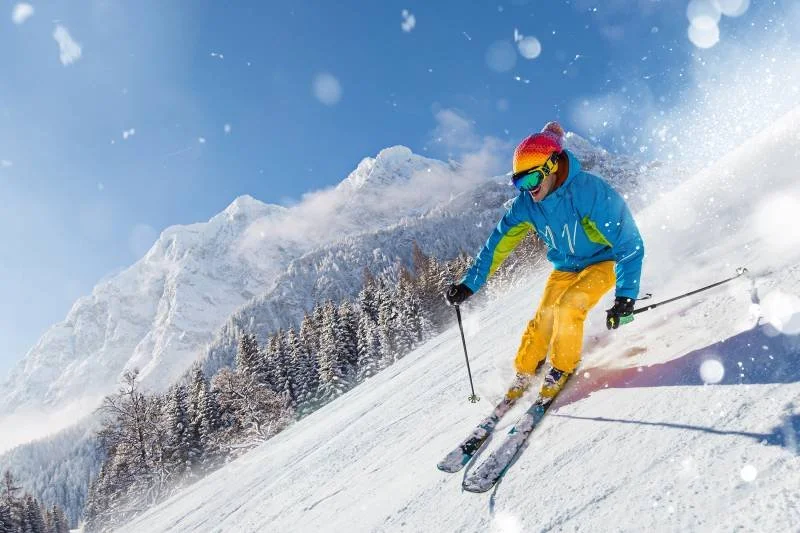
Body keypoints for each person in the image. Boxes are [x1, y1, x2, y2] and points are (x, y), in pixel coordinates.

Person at [444, 121, 644, 403]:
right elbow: (497, 245)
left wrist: (625, 296)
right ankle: (526, 369)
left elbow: (628, 242)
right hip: (565, 266)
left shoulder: (588, 191)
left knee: (569, 305)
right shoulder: (526, 204)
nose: (527, 190)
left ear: (551, 166)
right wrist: (468, 284)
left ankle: (562, 367)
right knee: (545, 316)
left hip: (603, 261)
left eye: (531, 180)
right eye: (519, 183)